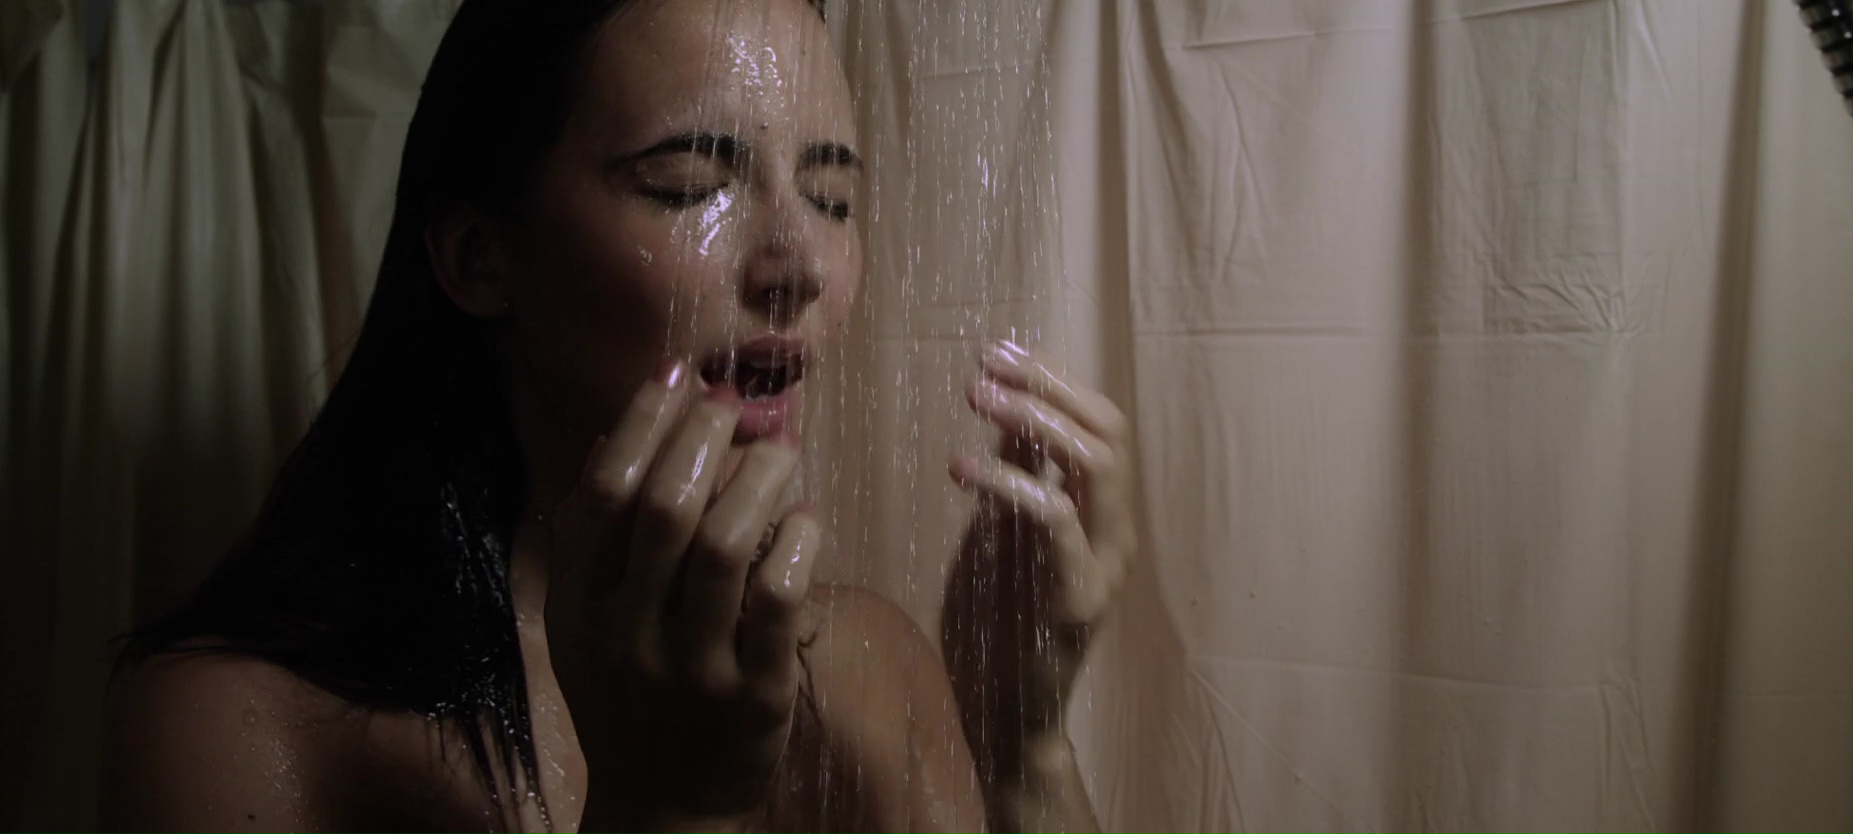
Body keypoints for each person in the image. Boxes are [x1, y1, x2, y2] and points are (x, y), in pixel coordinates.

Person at [98, 0, 1138, 832]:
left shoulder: (870, 663)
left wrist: (1023, 741)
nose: (799, 266)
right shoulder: (239, 719)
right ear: (480, 257)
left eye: (831, 199)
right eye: (689, 185)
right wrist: (668, 812)